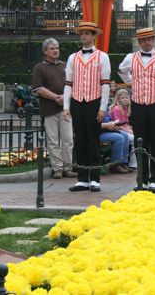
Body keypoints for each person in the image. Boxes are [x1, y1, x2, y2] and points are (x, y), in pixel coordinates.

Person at [118, 27, 155, 193]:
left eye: (149, 39)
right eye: (143, 40)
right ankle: (142, 179)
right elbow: (121, 70)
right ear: (139, 42)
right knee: (140, 142)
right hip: (138, 106)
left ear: (153, 40)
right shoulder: (131, 58)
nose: (146, 42)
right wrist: (131, 81)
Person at [63, 22, 111, 192]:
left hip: (94, 101)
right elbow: (68, 83)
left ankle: (95, 178)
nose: (83, 36)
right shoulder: (72, 57)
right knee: (80, 140)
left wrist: (103, 108)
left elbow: (105, 84)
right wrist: (66, 106)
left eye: (87, 33)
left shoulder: (102, 57)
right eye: (82, 33)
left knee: (93, 140)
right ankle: (82, 178)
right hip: (77, 101)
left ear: (94, 36)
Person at [32, 38, 75, 179]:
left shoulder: (65, 65)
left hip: (66, 110)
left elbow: (73, 84)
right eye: (52, 48)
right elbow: (38, 89)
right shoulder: (39, 68)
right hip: (49, 110)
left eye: (57, 48)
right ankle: (57, 169)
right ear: (45, 51)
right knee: (53, 141)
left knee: (68, 140)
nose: (55, 50)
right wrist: (56, 97)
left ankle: (68, 168)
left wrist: (65, 97)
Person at [109, 88, 137, 169]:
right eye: (123, 98)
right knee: (134, 139)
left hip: (124, 129)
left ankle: (132, 163)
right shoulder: (117, 109)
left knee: (137, 137)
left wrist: (131, 130)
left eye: (127, 97)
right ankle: (133, 164)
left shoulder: (125, 108)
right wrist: (130, 131)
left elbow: (126, 124)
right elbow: (119, 125)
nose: (125, 99)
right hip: (117, 129)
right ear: (118, 99)